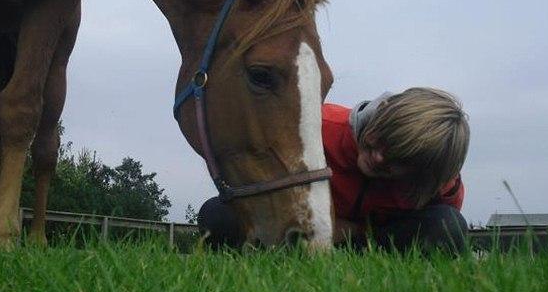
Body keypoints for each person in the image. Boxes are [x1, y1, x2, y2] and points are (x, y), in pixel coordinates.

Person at [198, 87, 470, 253]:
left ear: (425, 173)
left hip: (376, 244)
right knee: (219, 214)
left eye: (399, 160)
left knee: (448, 225)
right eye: (381, 140)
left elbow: (437, 229)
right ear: (381, 111)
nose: (378, 158)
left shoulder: (441, 184)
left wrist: (354, 232)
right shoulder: (313, 128)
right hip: (299, 238)